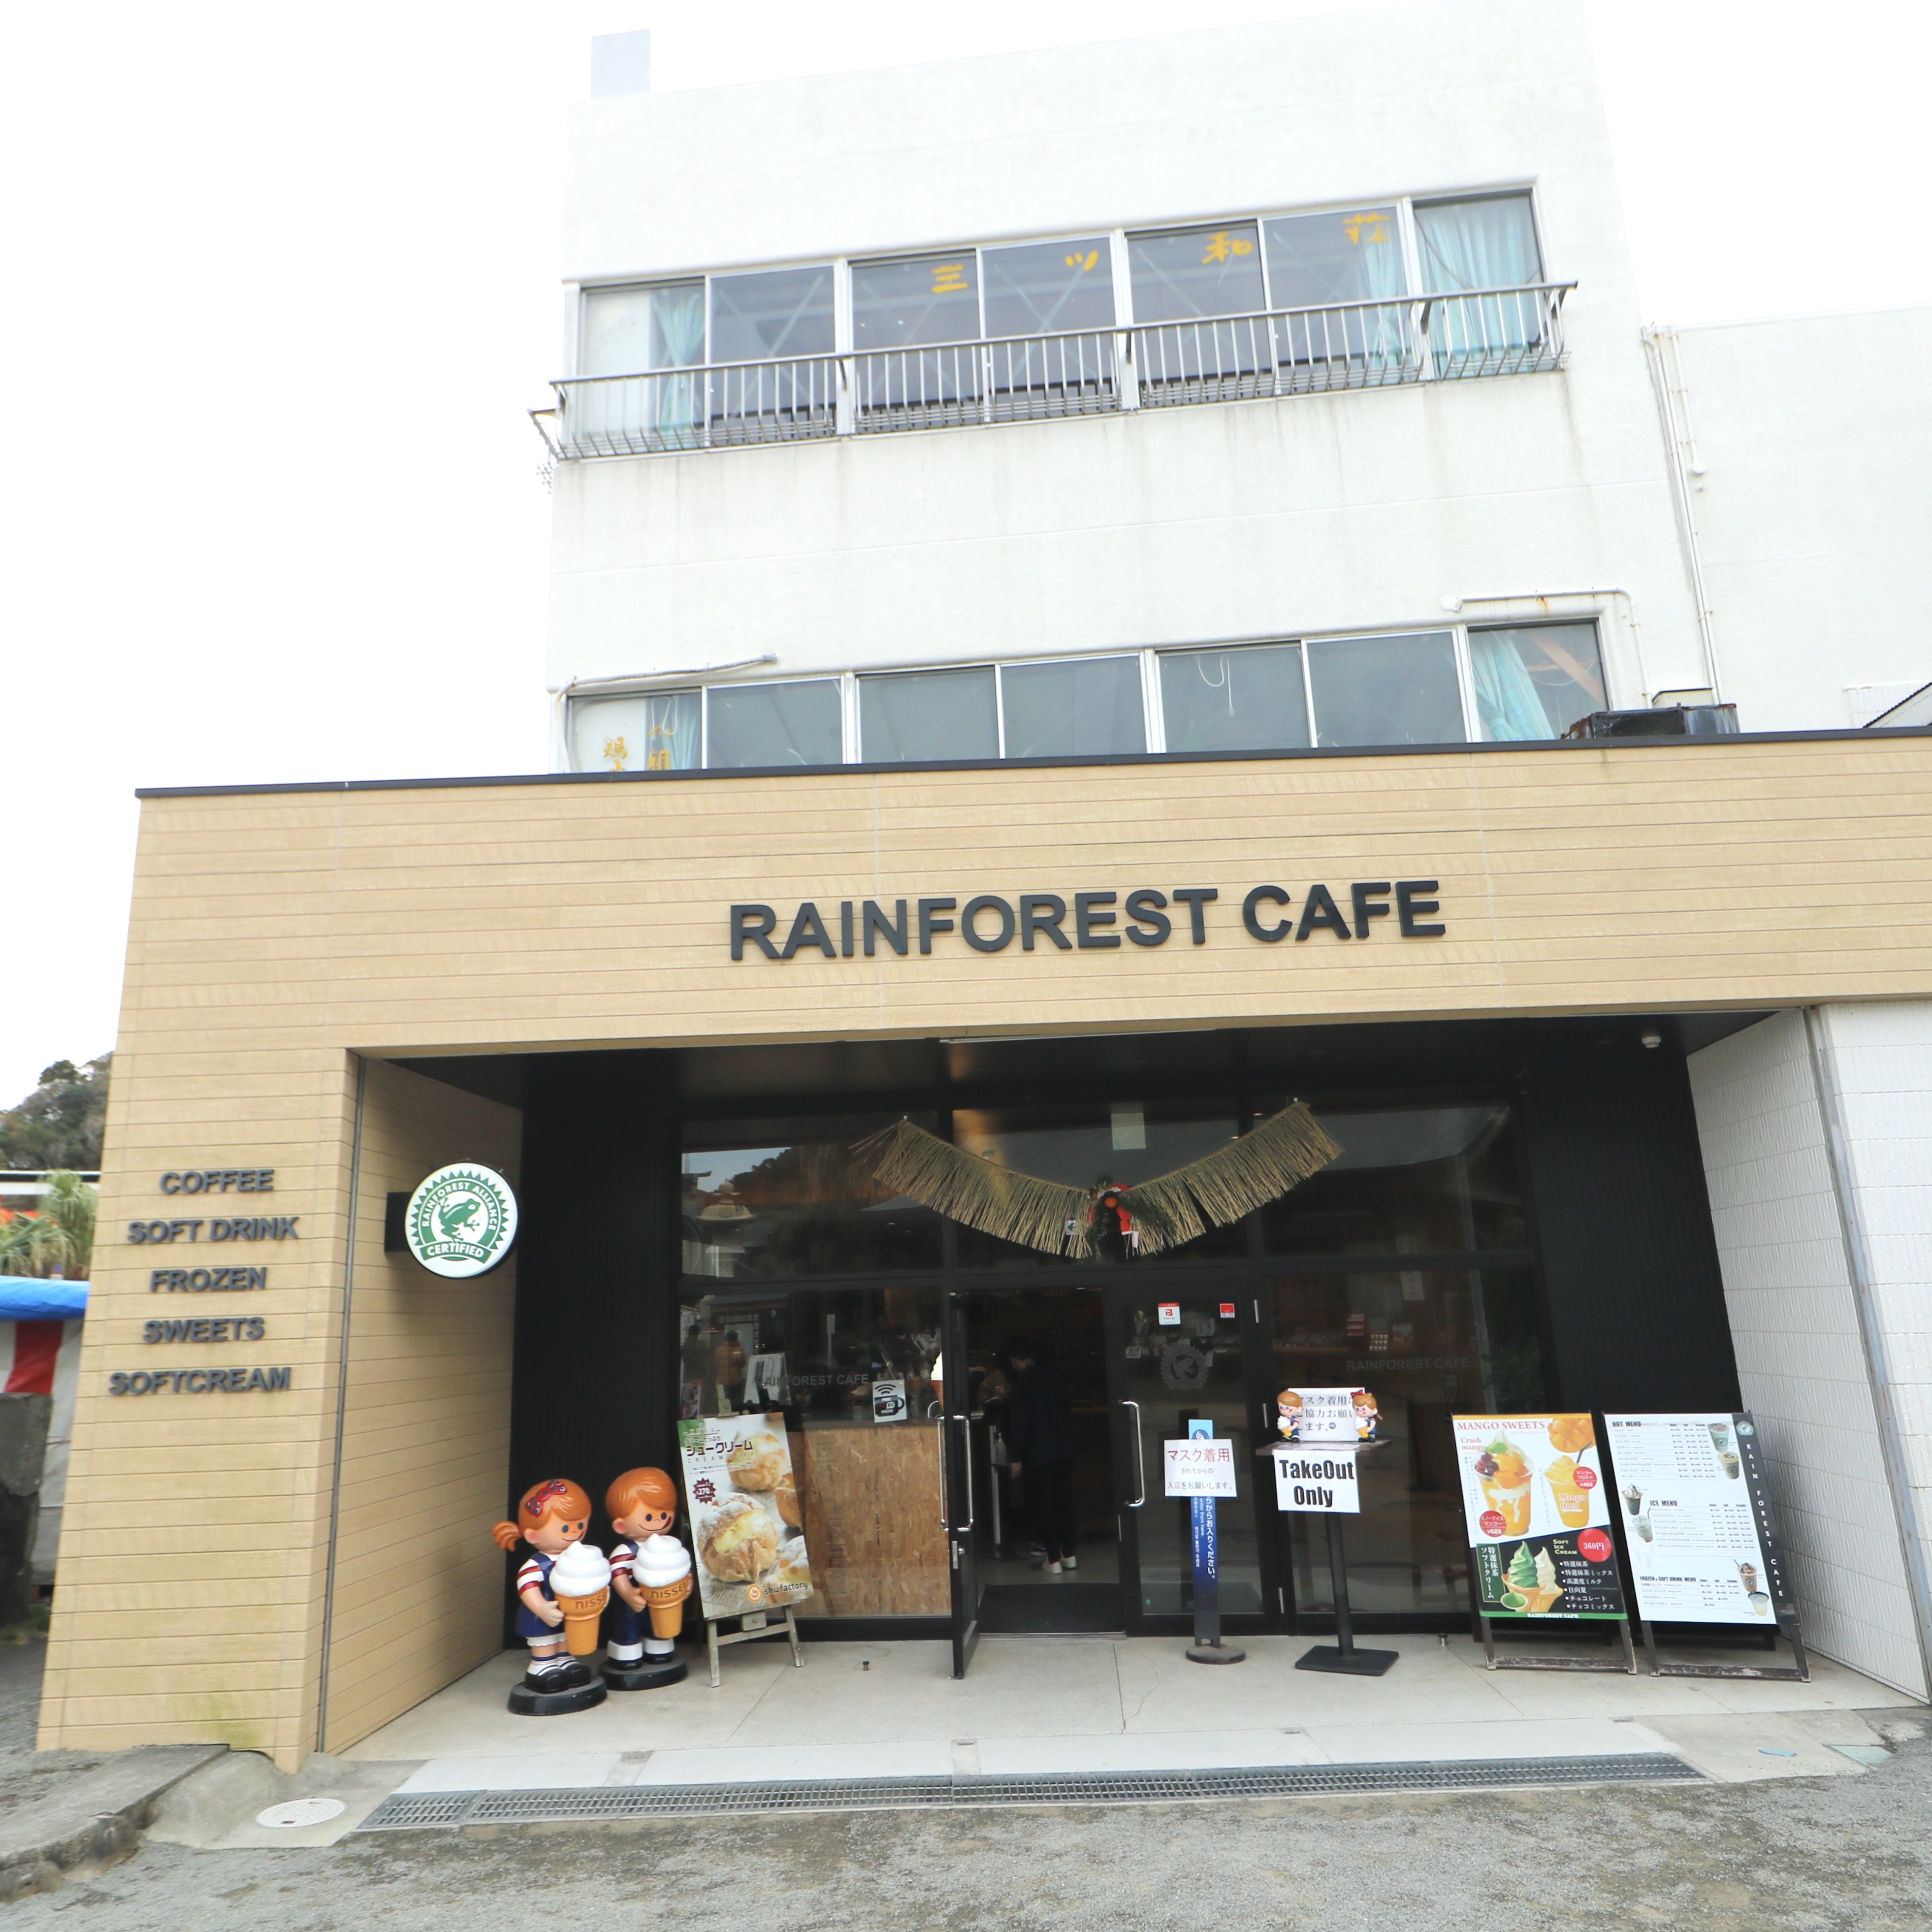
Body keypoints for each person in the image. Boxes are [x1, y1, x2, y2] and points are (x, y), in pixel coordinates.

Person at [491, 1477, 598, 1691]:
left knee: (566, 1637)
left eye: (580, 1525)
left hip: (570, 1612)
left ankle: (566, 1661)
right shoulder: (538, 1565)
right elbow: (527, 1586)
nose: (575, 1532)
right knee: (546, 1641)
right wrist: (541, 1607)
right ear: (533, 1535)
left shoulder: (579, 1557)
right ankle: (542, 1667)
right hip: (542, 1615)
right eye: (566, 1528)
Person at [1004, 1337, 1079, 1573]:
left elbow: (1019, 1424)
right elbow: (1067, 1410)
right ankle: (1070, 1554)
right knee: (1065, 1502)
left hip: (1039, 1452)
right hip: (1064, 1448)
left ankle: (1053, 1559)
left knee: (1045, 1505)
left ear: (1014, 1361)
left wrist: (1016, 1457)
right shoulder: (1054, 1376)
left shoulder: (1020, 1385)